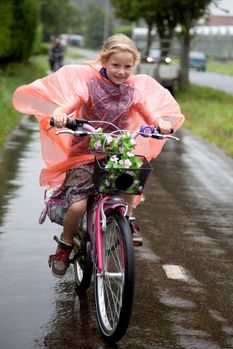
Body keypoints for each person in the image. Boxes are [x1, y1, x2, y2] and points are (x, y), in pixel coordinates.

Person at [12, 33, 185, 278]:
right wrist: (62, 112)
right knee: (78, 206)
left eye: (127, 66)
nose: (122, 71)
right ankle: (65, 245)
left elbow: (150, 113)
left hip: (116, 151)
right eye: (116, 65)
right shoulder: (89, 86)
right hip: (85, 153)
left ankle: (127, 219)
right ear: (103, 61)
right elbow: (72, 102)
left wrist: (160, 122)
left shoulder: (134, 91)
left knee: (130, 183)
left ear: (134, 65)